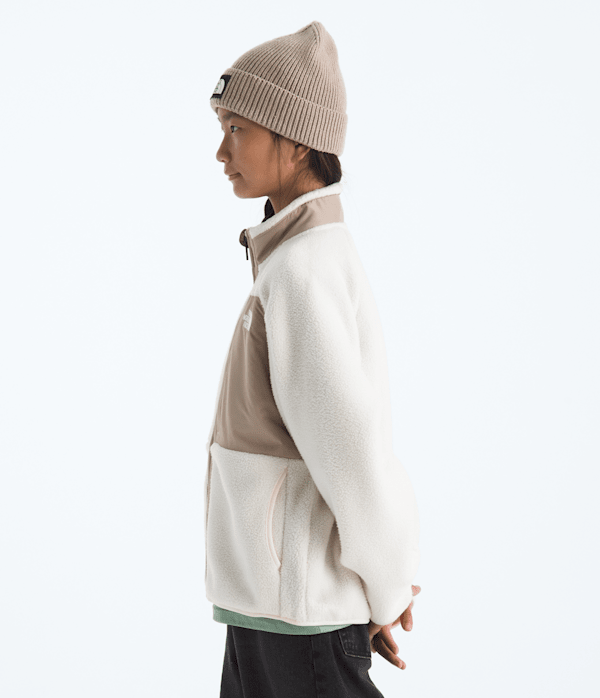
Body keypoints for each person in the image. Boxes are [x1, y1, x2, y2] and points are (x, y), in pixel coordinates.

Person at [204, 20, 422, 697]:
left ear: (296, 141)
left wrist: (385, 588)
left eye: (237, 128)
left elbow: (351, 452)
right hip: (270, 608)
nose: (221, 151)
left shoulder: (303, 271)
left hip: (298, 615)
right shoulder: (292, 262)